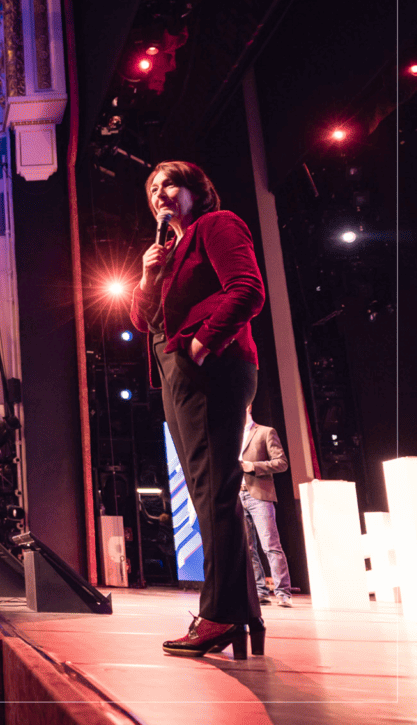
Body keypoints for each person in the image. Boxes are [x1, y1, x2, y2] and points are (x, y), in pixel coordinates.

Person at [130, 160, 266, 659]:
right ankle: (242, 612)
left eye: (169, 183)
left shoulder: (217, 224)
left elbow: (248, 289)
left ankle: (220, 614)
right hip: (177, 374)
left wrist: (203, 344)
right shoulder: (168, 251)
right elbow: (143, 321)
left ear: (195, 190)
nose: (159, 193)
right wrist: (148, 276)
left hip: (208, 367)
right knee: (211, 493)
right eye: (152, 188)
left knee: (214, 491)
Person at [239, 406, 293, 608]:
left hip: (259, 495)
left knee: (270, 545)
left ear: (248, 407)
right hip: (237, 495)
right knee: (248, 548)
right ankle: (260, 591)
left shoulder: (265, 431)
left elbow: (281, 462)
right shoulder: (231, 436)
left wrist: (253, 466)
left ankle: (283, 592)